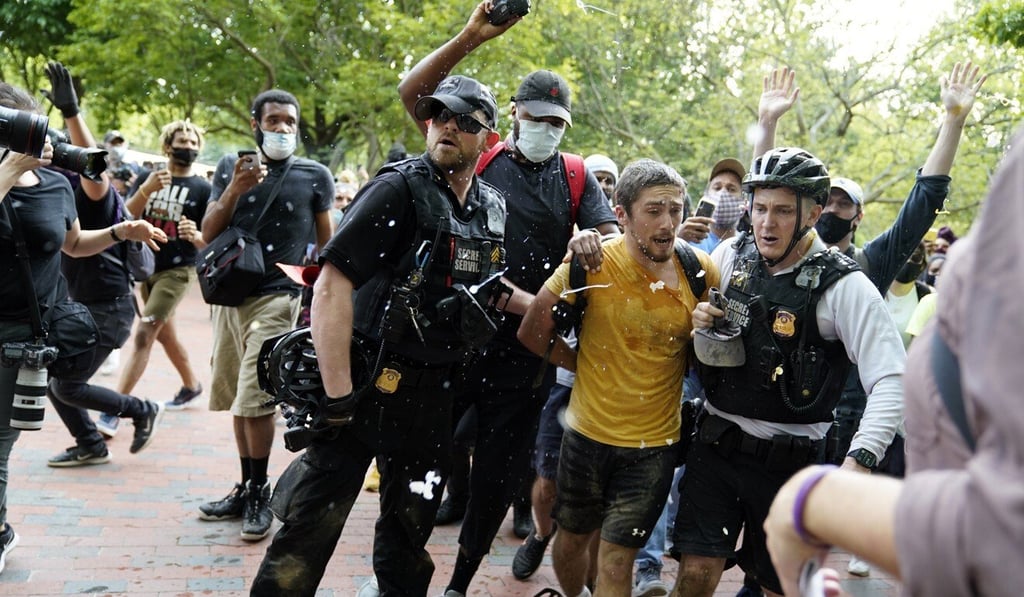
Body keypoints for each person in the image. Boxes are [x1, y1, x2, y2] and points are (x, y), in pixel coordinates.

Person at [250, 74, 505, 596]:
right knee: (308, 532)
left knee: (410, 537)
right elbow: (329, 288)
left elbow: (491, 292)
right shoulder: (397, 187)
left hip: (433, 396)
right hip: (362, 384)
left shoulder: (493, 207)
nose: (447, 127)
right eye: (438, 116)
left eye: (464, 121)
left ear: (488, 137)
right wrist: (338, 393)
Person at [397, 4, 619, 595]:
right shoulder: (477, 155)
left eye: (557, 122)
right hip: (452, 343)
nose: (545, 128)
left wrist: (593, 238)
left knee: (497, 480)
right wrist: (470, 38)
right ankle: (404, 570)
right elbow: (415, 96)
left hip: (526, 355)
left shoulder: (576, 175)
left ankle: (459, 584)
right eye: (536, 117)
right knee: (426, 462)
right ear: (513, 115)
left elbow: (612, 240)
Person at [763, 127, 1024, 597]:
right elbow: (768, 201)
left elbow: (996, 533)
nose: (772, 219)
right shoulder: (752, 258)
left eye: (843, 205)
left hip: (842, 425)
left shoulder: (863, 267)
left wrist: (814, 500)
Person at [670, 146, 906, 597]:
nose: (766, 222)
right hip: (715, 446)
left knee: (781, 588)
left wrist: (861, 462)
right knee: (696, 576)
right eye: (759, 208)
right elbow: (695, 325)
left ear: (814, 214)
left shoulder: (845, 286)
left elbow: (892, 377)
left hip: (793, 467)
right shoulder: (729, 253)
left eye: (781, 211)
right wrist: (701, 319)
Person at [518, 159, 718, 596]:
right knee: (571, 541)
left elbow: (713, 353)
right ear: (621, 214)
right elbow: (532, 330)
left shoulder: (699, 271)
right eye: (653, 211)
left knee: (616, 558)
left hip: (654, 447)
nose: (668, 224)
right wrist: (579, 363)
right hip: (586, 436)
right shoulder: (589, 266)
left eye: (676, 210)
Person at [0, 81, 164, 574]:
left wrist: (120, 231)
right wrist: (7, 172)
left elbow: (72, 244)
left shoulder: (54, 185)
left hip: (21, 339)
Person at [199, 89, 334, 543]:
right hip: (229, 296)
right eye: (273, 120)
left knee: (256, 397)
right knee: (238, 397)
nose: (282, 128)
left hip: (279, 296)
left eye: (289, 122)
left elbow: (329, 245)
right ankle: (246, 485)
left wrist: (319, 297)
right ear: (255, 124)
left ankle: (260, 492)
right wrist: (236, 189)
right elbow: (208, 232)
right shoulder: (229, 168)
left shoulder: (315, 175)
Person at [40, 61, 170, 466]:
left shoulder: (94, 194)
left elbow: (94, 167)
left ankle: (140, 409)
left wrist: (71, 113)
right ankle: (91, 445)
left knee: (67, 385)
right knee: (52, 379)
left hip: (108, 306)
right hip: (79, 304)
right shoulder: (53, 190)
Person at [96, 119, 211, 437]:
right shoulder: (149, 177)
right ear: (167, 146)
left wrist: (197, 235)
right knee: (164, 334)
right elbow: (124, 215)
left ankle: (114, 410)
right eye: (181, 140)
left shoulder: (203, 188)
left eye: (192, 141)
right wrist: (146, 190)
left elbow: (210, 237)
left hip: (177, 270)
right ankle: (192, 385)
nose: (187, 146)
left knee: (145, 333)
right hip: (145, 266)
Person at [678, 157, 747, 254]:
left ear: (744, 201)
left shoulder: (746, 246)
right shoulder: (688, 239)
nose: (723, 194)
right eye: (717, 188)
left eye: (731, 189)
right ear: (706, 195)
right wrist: (677, 241)